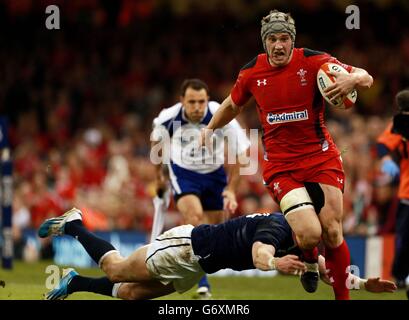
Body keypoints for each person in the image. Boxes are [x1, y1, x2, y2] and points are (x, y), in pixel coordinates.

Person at [199, 10, 373, 300]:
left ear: (293, 41)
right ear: (264, 42)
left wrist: (351, 81)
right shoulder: (253, 71)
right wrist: (210, 128)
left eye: (284, 39)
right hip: (281, 166)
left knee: (331, 230)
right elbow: (232, 105)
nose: (278, 45)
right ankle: (308, 259)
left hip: (321, 156)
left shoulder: (316, 61)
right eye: (272, 39)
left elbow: (366, 77)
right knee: (309, 234)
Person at [38, 208, 396, 300]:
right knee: (117, 272)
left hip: (197, 266)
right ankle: (75, 225)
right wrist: (274, 263)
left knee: (131, 295)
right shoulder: (279, 227)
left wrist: (364, 284)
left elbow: (329, 270)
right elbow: (259, 253)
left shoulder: (308, 239)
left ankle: (75, 283)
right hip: (186, 247)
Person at [150, 78, 250, 298]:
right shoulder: (168, 118)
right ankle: (203, 284)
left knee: (213, 232)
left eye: (201, 102)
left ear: (208, 101)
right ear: (182, 101)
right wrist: (159, 177)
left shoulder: (222, 115)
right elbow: (156, 143)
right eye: (192, 102)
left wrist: (231, 189)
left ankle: (191, 271)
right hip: (183, 173)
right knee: (195, 220)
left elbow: (243, 156)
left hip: (214, 175)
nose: (197, 107)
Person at [376, 89, 409, 298]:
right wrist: (386, 159)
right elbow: (382, 145)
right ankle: (399, 274)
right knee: (405, 240)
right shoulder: (399, 124)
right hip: (407, 192)